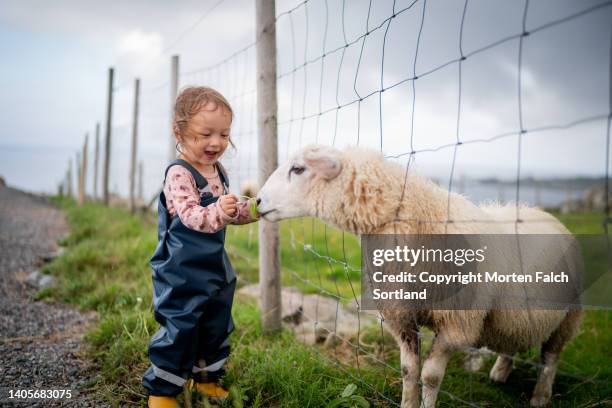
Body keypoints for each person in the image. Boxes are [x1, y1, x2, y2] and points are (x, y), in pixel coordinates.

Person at [143, 86, 259, 408]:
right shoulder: (180, 173)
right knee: (180, 326)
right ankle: (162, 392)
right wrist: (221, 210)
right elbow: (193, 216)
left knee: (215, 324)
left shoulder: (217, 170)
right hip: (180, 269)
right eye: (205, 134)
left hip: (214, 267)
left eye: (224, 134)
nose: (216, 143)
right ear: (178, 132)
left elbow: (225, 214)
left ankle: (206, 381)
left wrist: (250, 209)